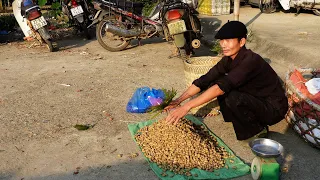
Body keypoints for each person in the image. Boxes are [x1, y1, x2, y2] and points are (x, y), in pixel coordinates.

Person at [164, 21, 288, 141]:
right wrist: (178, 100)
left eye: (228, 41)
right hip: (255, 99)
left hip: (272, 108)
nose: (223, 44)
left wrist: (186, 107)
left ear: (242, 42)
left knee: (228, 92)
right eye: (222, 40)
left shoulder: (250, 61)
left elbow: (220, 88)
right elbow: (205, 80)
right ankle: (236, 118)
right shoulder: (228, 59)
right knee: (216, 82)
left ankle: (257, 130)